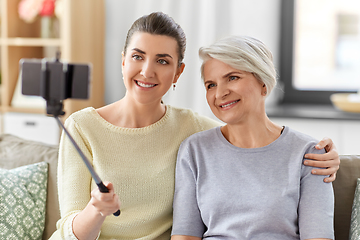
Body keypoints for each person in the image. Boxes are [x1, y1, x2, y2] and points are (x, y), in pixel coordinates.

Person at [50, 12, 338, 240]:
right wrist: (97, 210)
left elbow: (248, 138)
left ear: (178, 71)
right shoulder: (82, 127)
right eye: (137, 56)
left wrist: (326, 155)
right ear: (123, 61)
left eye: (162, 60)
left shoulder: (192, 129)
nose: (147, 70)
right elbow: (69, 233)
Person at [171, 36, 334, 239]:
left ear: (263, 84)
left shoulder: (308, 153)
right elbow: (184, 235)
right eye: (211, 85)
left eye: (232, 77)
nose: (220, 93)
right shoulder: (194, 150)